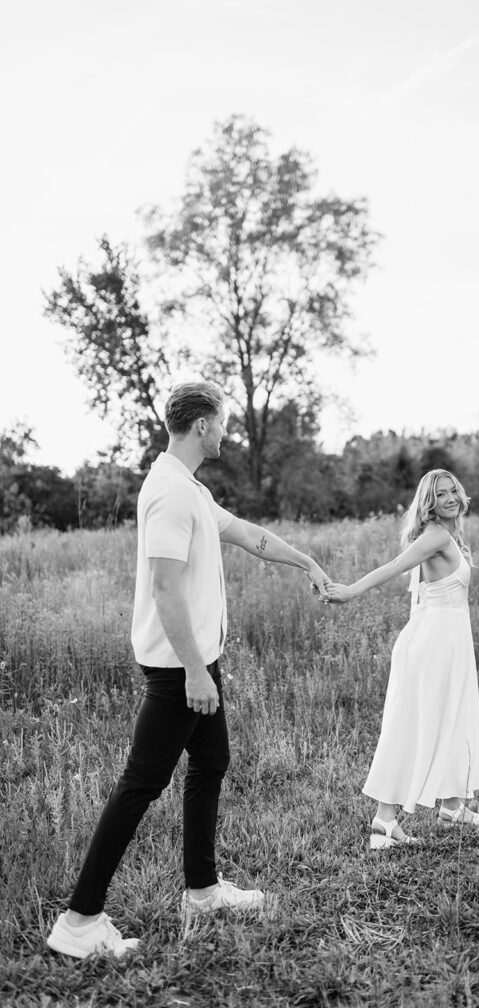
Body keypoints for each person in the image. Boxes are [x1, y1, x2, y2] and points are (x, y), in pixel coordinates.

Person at [47, 381, 331, 958]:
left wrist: (307, 562)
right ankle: (79, 923)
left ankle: (202, 890)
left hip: (198, 662)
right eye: (222, 422)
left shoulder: (189, 490)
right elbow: (164, 587)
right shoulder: (170, 494)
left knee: (211, 759)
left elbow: (249, 535)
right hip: (181, 668)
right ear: (203, 425)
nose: (226, 431)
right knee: (140, 784)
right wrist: (197, 672)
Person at [326, 469, 479, 849]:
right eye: (441, 494)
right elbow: (394, 567)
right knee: (415, 725)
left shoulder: (449, 534)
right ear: (429, 502)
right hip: (432, 644)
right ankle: (384, 822)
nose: (449, 498)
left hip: (449, 640)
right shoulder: (435, 535)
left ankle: (452, 806)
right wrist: (350, 592)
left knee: (454, 717)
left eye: (453, 491)